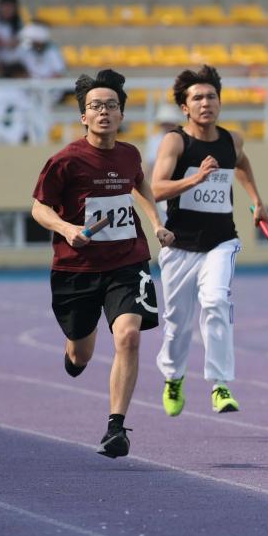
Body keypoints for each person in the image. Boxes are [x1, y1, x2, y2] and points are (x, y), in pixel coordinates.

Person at [31, 69, 174, 458]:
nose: (104, 112)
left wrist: (156, 223)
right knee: (81, 354)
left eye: (111, 105)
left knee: (128, 336)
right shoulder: (65, 161)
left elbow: (139, 184)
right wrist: (66, 228)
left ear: (121, 113)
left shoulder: (129, 155)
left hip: (127, 261)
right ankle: (74, 352)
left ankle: (116, 428)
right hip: (76, 268)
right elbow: (38, 208)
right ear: (84, 116)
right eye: (96, 106)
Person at [151, 65, 268, 417]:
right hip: (179, 245)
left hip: (221, 241)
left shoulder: (232, 140)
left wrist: (256, 200)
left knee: (217, 303)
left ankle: (220, 384)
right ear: (185, 107)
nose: (206, 103)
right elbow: (156, 188)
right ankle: (173, 377)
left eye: (212, 97)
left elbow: (241, 163)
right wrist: (196, 179)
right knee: (177, 322)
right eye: (198, 98)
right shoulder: (176, 141)